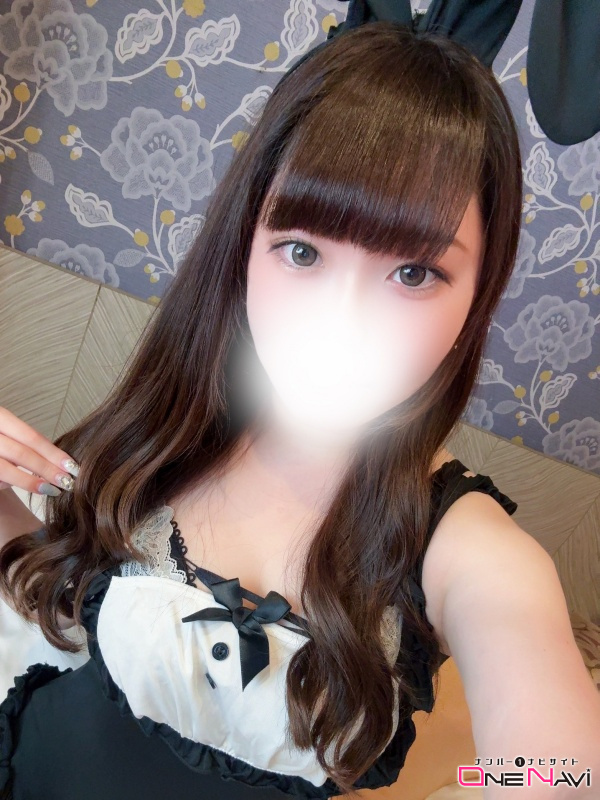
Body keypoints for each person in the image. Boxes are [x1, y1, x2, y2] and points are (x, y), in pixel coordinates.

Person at [0, 19, 598, 800]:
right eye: (304, 252)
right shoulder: (169, 427)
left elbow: (567, 771)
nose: (341, 320)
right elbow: (53, 606)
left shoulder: (467, 550)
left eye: (415, 273)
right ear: (246, 246)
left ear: (477, 298)